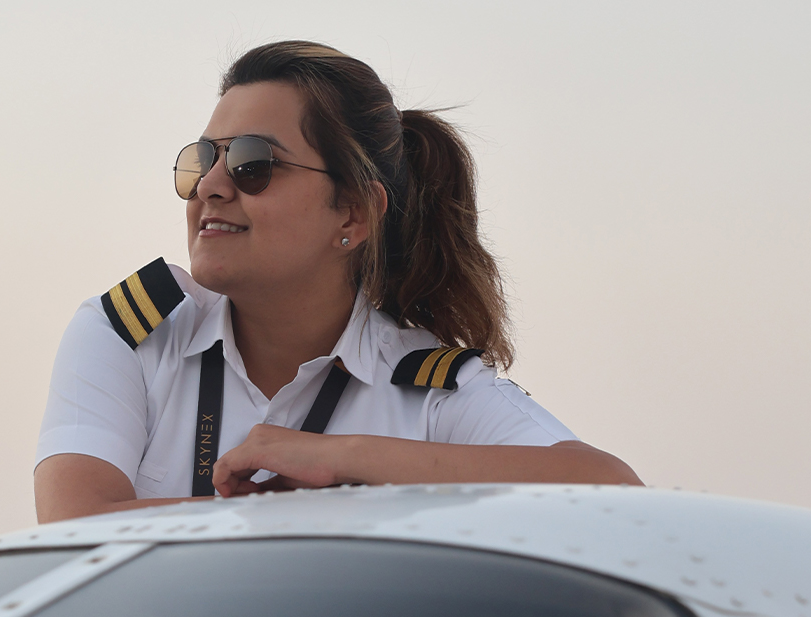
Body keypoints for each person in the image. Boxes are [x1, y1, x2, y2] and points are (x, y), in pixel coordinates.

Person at [34, 40, 641, 523]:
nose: (211, 186)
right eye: (204, 159)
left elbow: (614, 493)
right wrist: (309, 515)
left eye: (252, 164)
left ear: (353, 213)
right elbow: (75, 525)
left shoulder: (425, 389)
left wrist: (344, 459)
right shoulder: (131, 335)